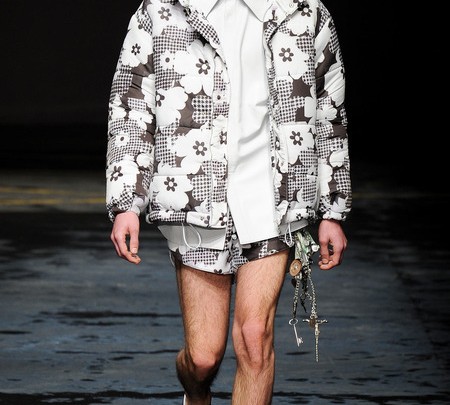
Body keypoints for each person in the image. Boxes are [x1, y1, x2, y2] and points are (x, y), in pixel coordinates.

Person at [106, 0, 351, 403]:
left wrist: (333, 210)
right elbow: (132, 107)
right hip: (197, 193)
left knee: (255, 337)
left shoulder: (305, 11)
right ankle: (195, 393)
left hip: (274, 195)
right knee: (203, 358)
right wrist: (126, 203)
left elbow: (329, 113)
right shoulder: (162, 11)